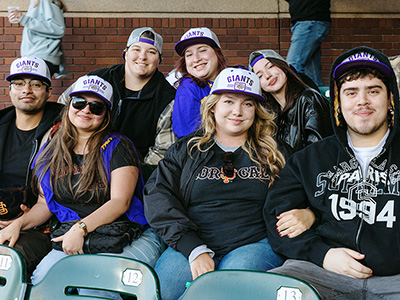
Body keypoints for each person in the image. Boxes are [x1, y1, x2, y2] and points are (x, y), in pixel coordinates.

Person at [144, 67, 317, 300]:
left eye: (247, 104)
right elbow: (158, 197)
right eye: (228, 101)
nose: (237, 111)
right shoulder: (187, 150)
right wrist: (193, 248)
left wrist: (309, 213)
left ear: (256, 111)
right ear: (213, 106)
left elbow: (314, 191)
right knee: (158, 294)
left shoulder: (276, 153)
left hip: (254, 243)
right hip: (192, 241)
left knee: (219, 294)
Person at [0, 75, 163, 299]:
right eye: (79, 103)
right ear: (69, 106)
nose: (86, 110)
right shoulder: (52, 149)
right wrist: (18, 224)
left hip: (127, 234)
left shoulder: (118, 146)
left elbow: (120, 202)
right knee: (43, 284)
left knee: (93, 286)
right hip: (75, 235)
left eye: (96, 107)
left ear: (106, 115)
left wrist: (80, 228)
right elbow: (44, 203)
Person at [264, 46, 400, 299]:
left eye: (373, 90)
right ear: (337, 102)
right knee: (274, 289)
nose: (362, 101)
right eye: (351, 92)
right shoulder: (309, 160)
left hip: (395, 281)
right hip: (320, 273)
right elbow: (276, 217)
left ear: (390, 97)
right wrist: (321, 253)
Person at [58, 27, 176, 165]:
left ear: (159, 60)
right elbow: (61, 106)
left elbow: (161, 152)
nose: (142, 56)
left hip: (132, 170)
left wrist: (131, 175)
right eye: (136, 49)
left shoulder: (167, 98)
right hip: (78, 162)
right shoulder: (97, 78)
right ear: (125, 53)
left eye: (151, 52)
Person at [0, 57, 63, 276]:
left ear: (48, 92)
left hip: (38, 228)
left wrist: (20, 222)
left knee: (6, 263)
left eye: (36, 84)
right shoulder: (1, 126)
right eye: (19, 83)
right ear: (10, 91)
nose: (27, 90)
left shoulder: (62, 133)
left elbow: (50, 200)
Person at [249, 49, 332, 159]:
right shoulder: (270, 114)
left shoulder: (309, 100)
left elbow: (318, 154)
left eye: (271, 66)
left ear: (284, 68)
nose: (268, 75)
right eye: (260, 76)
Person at [172, 27, 228, 138]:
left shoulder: (232, 79)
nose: (196, 59)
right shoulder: (187, 87)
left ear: (217, 53)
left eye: (202, 50)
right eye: (189, 54)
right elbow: (190, 138)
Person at [8, 0, 67, 77]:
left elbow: (59, 29)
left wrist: (24, 19)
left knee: (31, 87)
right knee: (29, 87)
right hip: (37, 57)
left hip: (41, 57)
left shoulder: (45, 1)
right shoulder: (36, 2)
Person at [285, 0, 331, 86]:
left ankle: (293, 99)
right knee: (312, 74)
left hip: (309, 20)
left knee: (292, 68)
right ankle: (318, 98)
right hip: (308, 20)